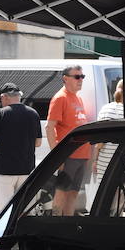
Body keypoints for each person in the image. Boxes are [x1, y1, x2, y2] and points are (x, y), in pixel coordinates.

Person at [0, 82, 42, 211]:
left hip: (4, 170)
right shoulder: (33, 114)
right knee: (23, 211)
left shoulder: (0, 114)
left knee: (3, 212)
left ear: (4, 97)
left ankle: (6, 232)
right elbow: (38, 143)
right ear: (19, 96)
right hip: (27, 170)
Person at [45, 65, 90, 215]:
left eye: (82, 77)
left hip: (81, 155)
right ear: (65, 79)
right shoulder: (60, 98)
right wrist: (57, 156)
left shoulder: (78, 98)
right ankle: (55, 225)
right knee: (61, 192)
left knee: (73, 194)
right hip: (68, 155)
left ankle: (67, 225)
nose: (80, 80)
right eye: (77, 77)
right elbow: (50, 127)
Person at [92, 78, 125, 181]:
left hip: (105, 164)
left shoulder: (106, 110)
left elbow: (100, 142)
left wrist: (95, 160)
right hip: (124, 164)